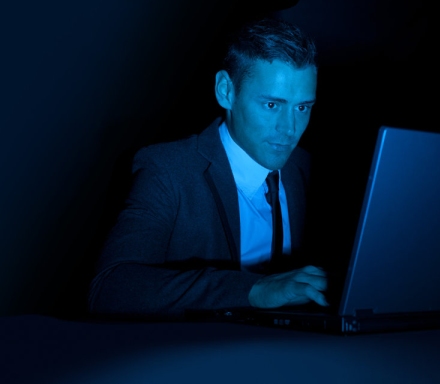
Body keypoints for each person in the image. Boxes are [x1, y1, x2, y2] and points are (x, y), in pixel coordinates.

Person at [88, 17, 328, 319]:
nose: (290, 128)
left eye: (302, 107)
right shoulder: (168, 171)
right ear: (226, 91)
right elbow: (110, 289)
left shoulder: (306, 168)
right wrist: (254, 291)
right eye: (271, 105)